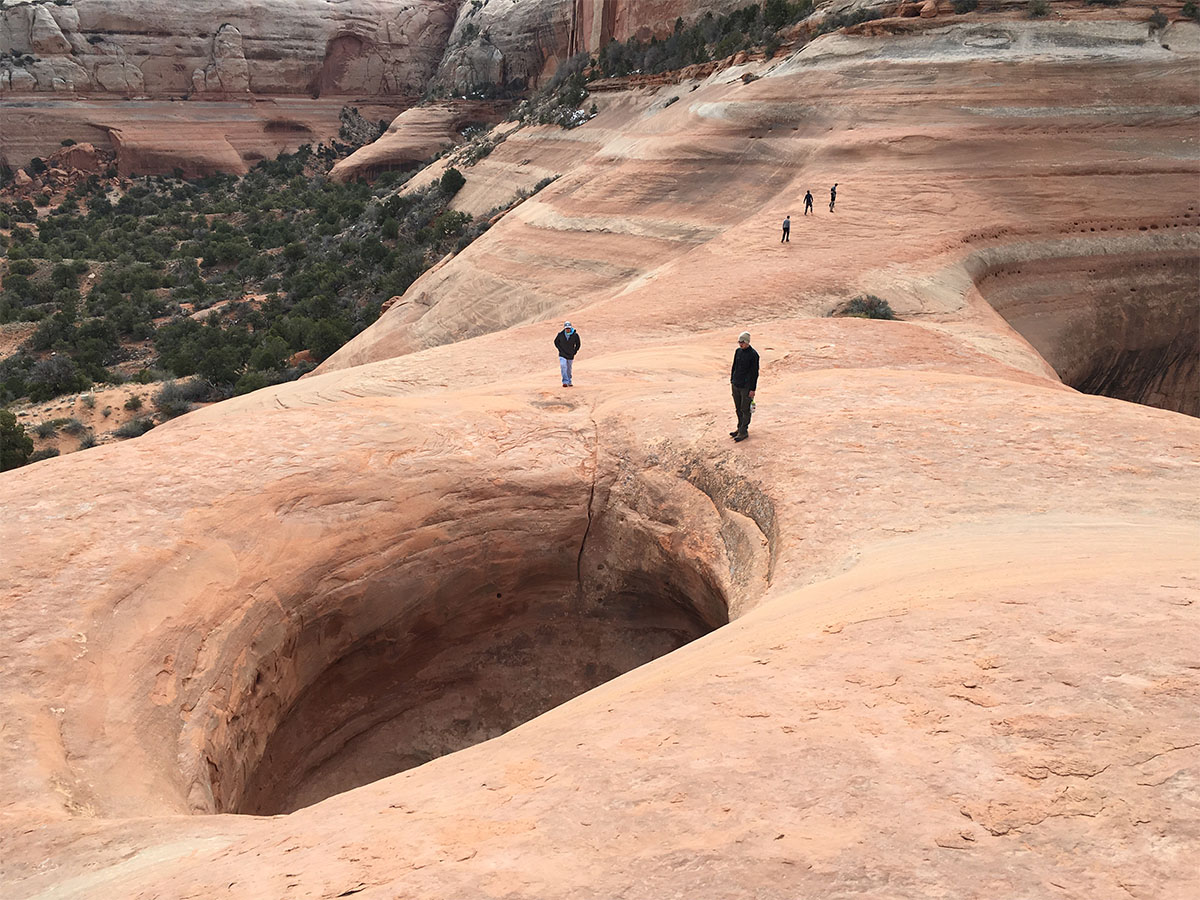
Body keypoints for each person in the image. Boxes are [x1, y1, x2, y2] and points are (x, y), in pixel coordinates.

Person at [729, 331, 759, 443]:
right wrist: (732, 379)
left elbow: (755, 373)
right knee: (738, 408)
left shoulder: (753, 355)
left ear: (747, 342)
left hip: (746, 387)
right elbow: (734, 366)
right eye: (739, 342)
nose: (740, 344)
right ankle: (739, 428)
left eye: (742, 342)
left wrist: (752, 389)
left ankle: (743, 431)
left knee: (745, 409)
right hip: (736, 384)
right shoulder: (738, 351)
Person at [554, 321, 580, 387]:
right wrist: (560, 349)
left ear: (571, 328)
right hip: (562, 354)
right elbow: (556, 342)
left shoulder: (575, 335)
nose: (567, 329)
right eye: (566, 328)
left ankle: (569, 381)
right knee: (563, 366)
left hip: (570, 354)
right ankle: (565, 382)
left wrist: (575, 351)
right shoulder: (560, 334)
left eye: (569, 328)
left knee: (569, 368)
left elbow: (578, 344)